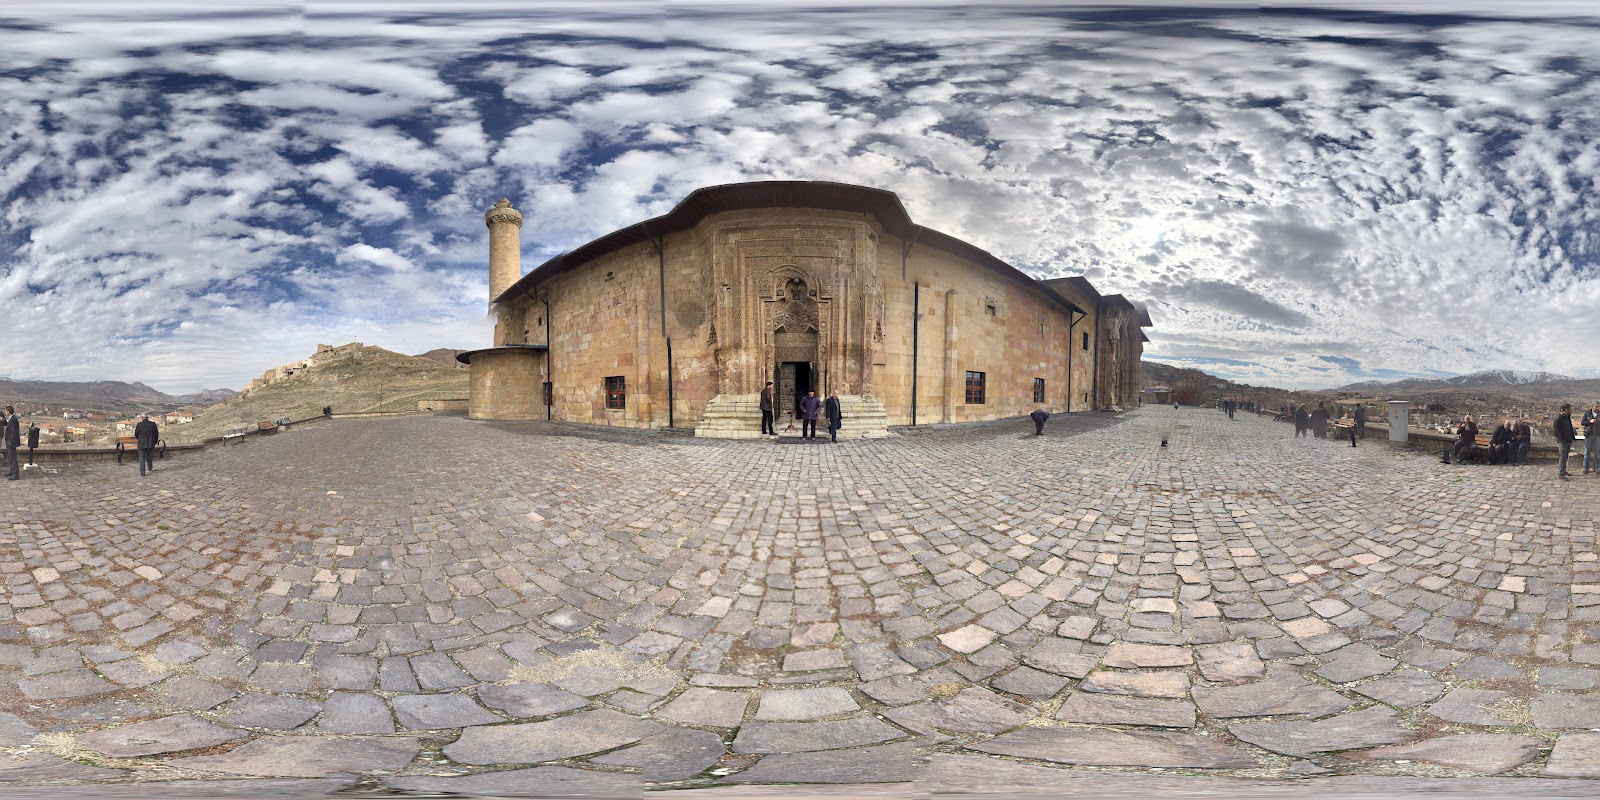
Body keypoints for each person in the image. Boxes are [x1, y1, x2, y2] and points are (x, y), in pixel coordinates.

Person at [1555, 403, 1576, 480]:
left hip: (1568, 440)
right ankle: (1561, 474)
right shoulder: (1558, 419)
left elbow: (1570, 428)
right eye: (1570, 409)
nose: (1571, 411)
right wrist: (1562, 439)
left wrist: (1572, 437)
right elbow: (1557, 431)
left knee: (1565, 457)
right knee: (1562, 458)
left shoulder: (1567, 417)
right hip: (1562, 442)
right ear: (1564, 410)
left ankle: (1564, 471)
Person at [1583, 402, 1600, 474]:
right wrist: (1590, 421)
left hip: (1598, 436)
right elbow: (1582, 423)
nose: (1598, 408)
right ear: (1592, 406)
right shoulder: (1587, 413)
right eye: (1596, 406)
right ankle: (1585, 468)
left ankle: (1596, 467)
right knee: (1587, 452)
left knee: (1597, 453)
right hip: (1588, 435)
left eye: (1599, 407)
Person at [3, 407, 19, 481]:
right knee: (10, 457)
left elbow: (14, 432)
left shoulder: (13, 420)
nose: (5, 412)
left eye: (6, 411)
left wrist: (11, 442)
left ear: (8, 412)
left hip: (11, 441)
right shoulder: (11, 419)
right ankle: (11, 471)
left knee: (12, 458)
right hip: (8, 440)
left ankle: (15, 474)